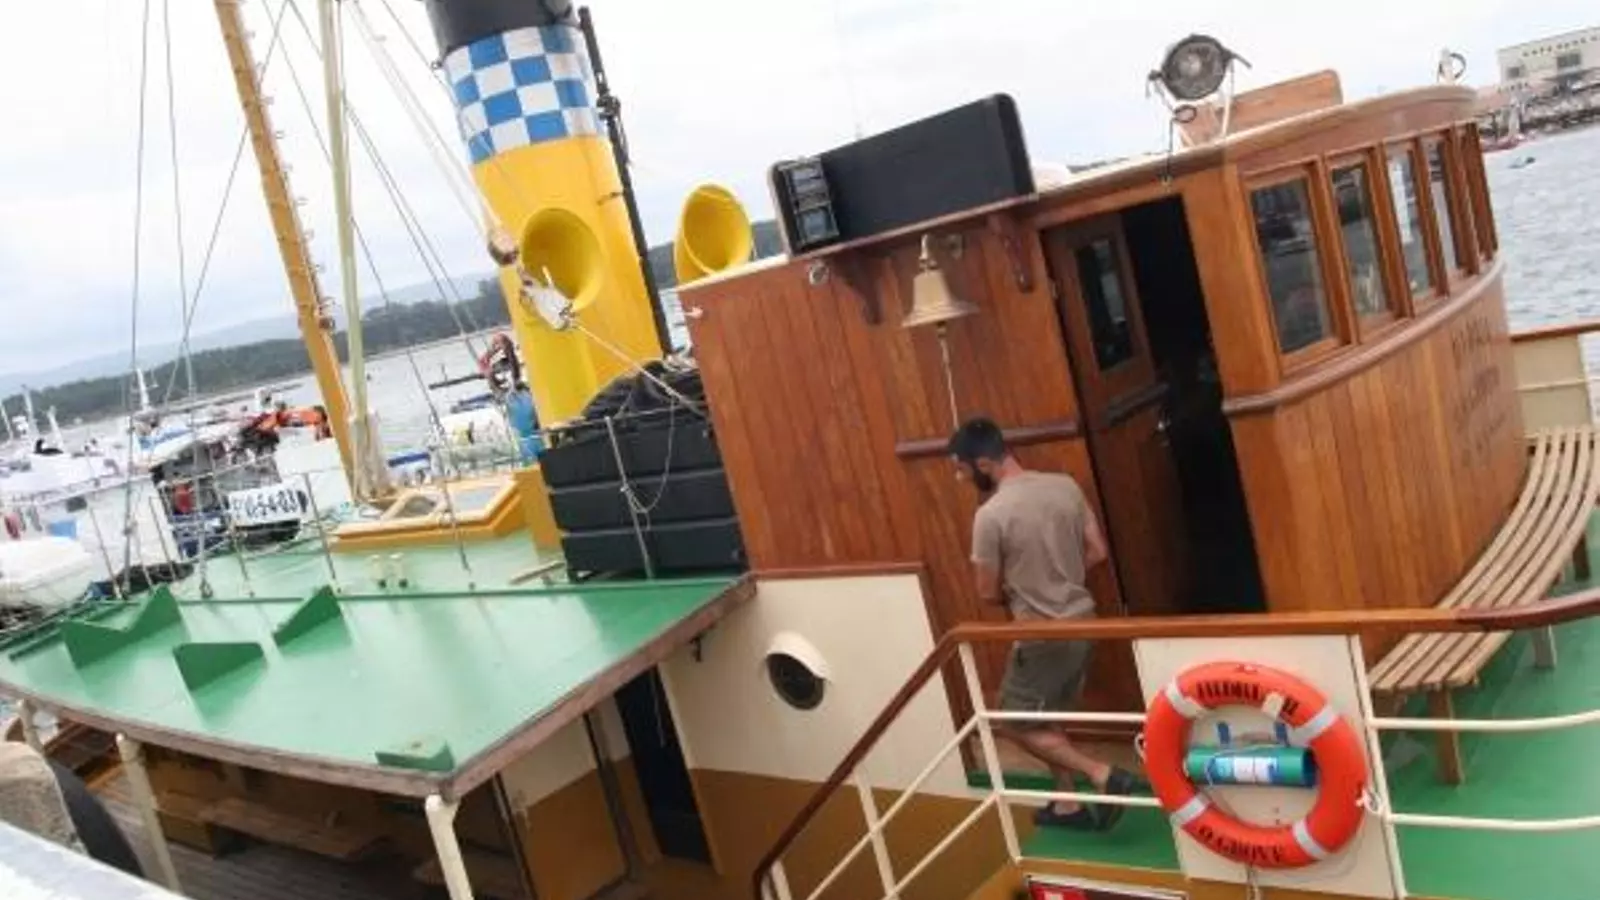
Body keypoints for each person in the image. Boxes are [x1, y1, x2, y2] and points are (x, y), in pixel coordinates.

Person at [949, 417, 1136, 831]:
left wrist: (1028, 589)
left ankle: (1102, 774)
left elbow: (987, 592)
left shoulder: (990, 515)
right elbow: (1097, 551)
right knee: (1044, 716)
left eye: (961, 470)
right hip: (1084, 623)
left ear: (983, 464)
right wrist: (1059, 576)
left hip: (1041, 634)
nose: (960, 479)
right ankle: (1066, 803)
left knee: (1012, 722)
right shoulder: (1065, 486)